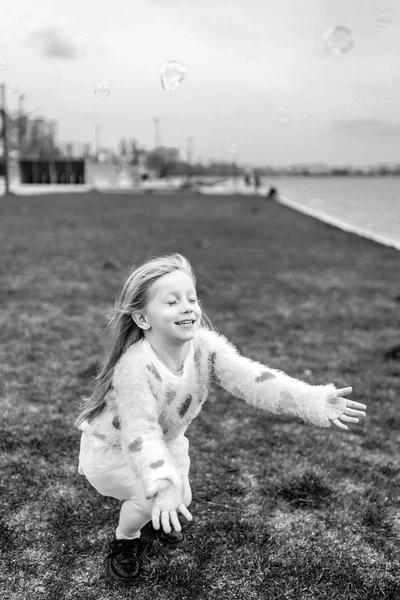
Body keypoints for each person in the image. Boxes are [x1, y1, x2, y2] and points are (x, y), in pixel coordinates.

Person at [75, 253, 367, 584]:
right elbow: (141, 434)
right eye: (172, 302)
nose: (188, 307)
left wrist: (312, 400)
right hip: (115, 449)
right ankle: (125, 540)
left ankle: (159, 515)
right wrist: (162, 484)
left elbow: (255, 380)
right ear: (143, 319)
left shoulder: (205, 347)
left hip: (166, 441)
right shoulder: (133, 368)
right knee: (149, 498)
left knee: (180, 499)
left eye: (191, 298)